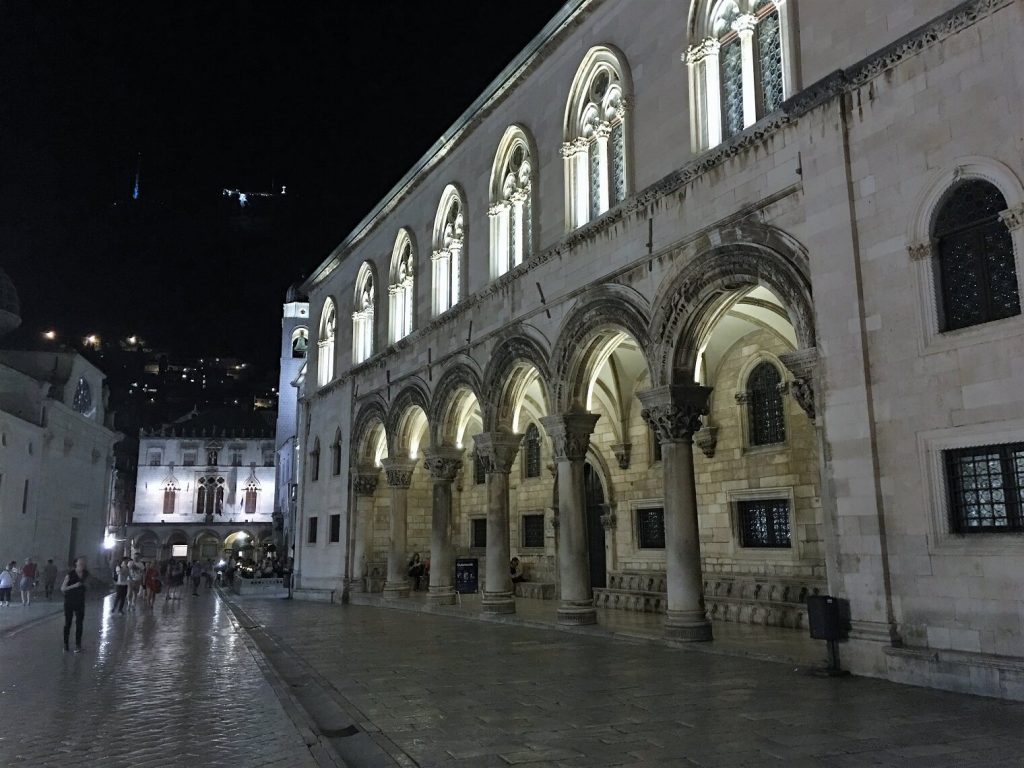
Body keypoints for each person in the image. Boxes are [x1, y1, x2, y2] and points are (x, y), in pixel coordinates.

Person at [61, 556, 89, 653]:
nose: (82, 564)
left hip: (80, 602)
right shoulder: (70, 574)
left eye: (83, 562)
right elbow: (63, 588)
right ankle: (65, 644)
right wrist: (74, 586)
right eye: (80, 562)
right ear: (76, 563)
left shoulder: (86, 574)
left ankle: (78, 645)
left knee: (79, 624)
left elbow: (88, 584)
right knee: (68, 623)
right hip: (69, 601)